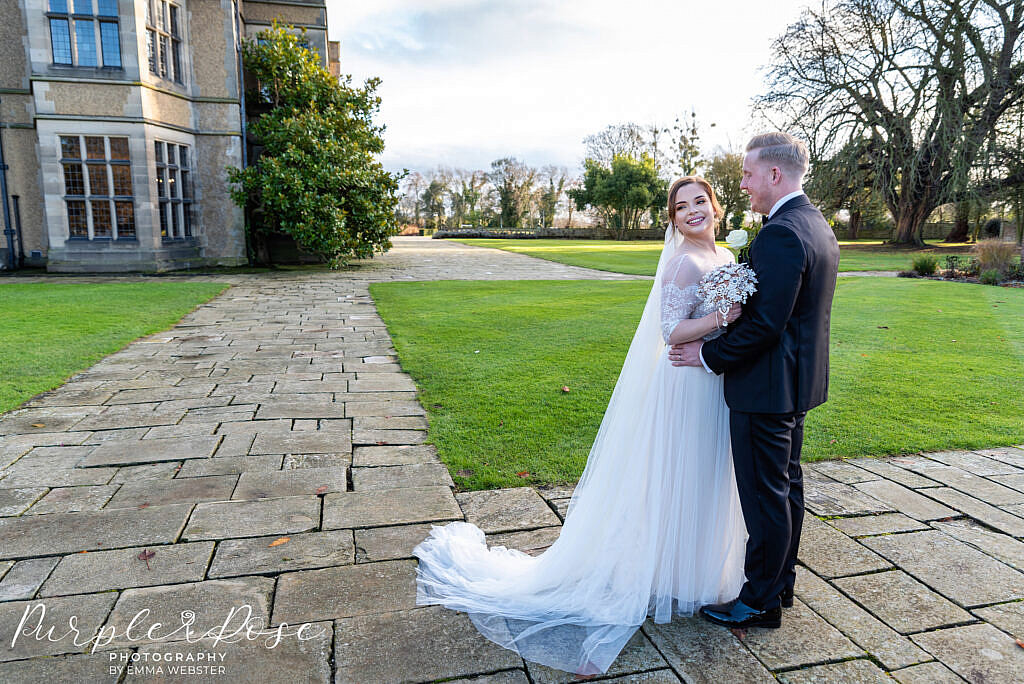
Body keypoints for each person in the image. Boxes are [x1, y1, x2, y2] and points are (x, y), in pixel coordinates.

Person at [413, 177, 748, 676]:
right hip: (684, 384)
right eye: (682, 207)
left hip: (713, 381)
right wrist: (721, 316)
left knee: (705, 475)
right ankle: (655, 568)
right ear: (674, 219)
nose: (693, 212)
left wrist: (728, 319)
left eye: (700, 202)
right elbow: (670, 331)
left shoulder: (725, 256)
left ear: (716, 207)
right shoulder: (682, 263)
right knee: (674, 475)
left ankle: (692, 570)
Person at [670, 132, 840, 630]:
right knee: (786, 489)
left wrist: (707, 355)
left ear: (773, 174)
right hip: (796, 384)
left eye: (747, 174)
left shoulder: (783, 232)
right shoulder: (814, 224)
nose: (741, 183)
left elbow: (766, 324)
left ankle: (759, 601)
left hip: (766, 389)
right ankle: (779, 584)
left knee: (766, 498)